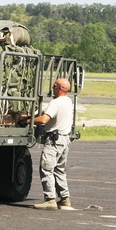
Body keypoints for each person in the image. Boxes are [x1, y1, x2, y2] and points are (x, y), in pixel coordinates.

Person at [32, 78, 75, 210]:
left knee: (46, 168)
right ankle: (64, 198)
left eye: (54, 86)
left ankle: (50, 199)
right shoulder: (68, 101)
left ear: (60, 88)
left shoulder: (55, 102)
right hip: (65, 139)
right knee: (59, 170)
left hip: (54, 140)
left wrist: (29, 120)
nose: (53, 88)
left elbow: (44, 119)